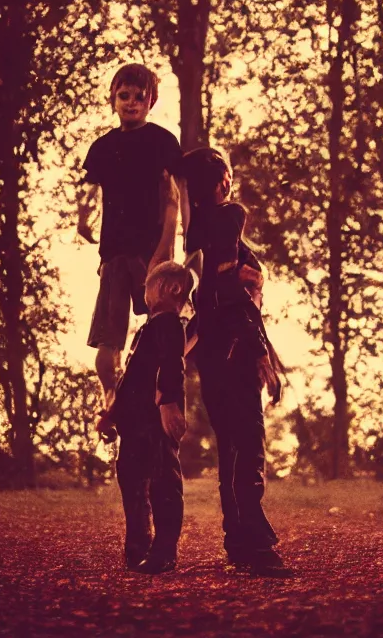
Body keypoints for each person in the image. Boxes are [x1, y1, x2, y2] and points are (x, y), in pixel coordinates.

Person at [178, 147, 290, 578]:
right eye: (225, 174)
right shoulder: (227, 218)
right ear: (222, 180)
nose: (229, 182)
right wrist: (259, 349)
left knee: (233, 446)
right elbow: (229, 292)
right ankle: (255, 546)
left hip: (211, 352)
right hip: (234, 348)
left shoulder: (193, 233)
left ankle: (239, 541)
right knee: (247, 443)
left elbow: (218, 291)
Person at [78, 64, 182, 409]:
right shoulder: (103, 148)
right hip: (114, 253)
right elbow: (88, 189)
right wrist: (83, 218)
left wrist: (165, 248)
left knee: (166, 322)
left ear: (152, 101)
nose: (132, 103)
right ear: (113, 99)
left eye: (140, 96)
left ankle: (162, 393)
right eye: (124, 95)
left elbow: (172, 199)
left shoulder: (162, 142)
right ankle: (112, 398)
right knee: (108, 342)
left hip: (149, 250)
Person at [97, 259, 196, 574]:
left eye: (149, 286)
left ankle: (164, 551)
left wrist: (168, 402)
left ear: (171, 288)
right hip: (133, 424)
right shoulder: (147, 330)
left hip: (155, 422)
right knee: (132, 482)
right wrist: (112, 415)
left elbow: (172, 364)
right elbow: (130, 378)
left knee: (163, 483)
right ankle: (138, 547)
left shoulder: (169, 325)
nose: (144, 291)